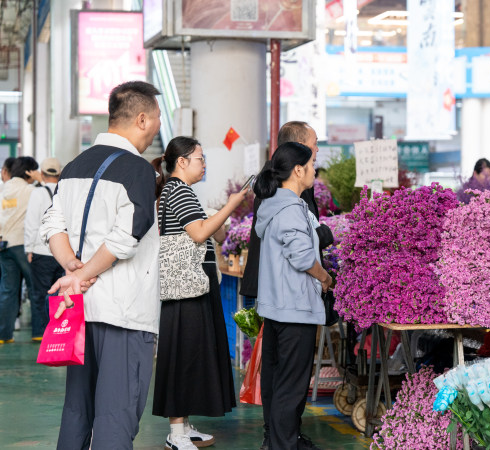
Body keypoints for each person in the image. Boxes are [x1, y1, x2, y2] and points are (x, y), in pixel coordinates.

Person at [40, 80, 162, 449]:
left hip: (79, 310)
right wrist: (84, 274)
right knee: (116, 415)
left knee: (78, 411)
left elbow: (52, 223)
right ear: (141, 119)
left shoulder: (75, 165)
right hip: (123, 314)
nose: (157, 126)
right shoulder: (139, 170)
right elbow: (128, 235)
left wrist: (73, 271)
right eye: (156, 119)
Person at [239, 121, 333, 450]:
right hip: (296, 309)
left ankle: (277, 442)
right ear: (296, 170)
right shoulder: (293, 208)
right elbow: (303, 257)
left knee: (278, 384)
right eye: (310, 166)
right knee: (291, 388)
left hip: (277, 309)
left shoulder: (270, 204)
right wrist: (324, 277)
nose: (313, 172)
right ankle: (282, 444)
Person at [150, 136, 244, 450]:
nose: (204, 164)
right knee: (182, 355)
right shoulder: (179, 191)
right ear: (183, 162)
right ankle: (176, 433)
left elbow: (207, 229)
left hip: (190, 285)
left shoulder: (179, 192)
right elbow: (200, 232)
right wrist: (231, 205)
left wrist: (218, 216)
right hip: (185, 288)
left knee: (190, 354)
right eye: (200, 158)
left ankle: (184, 426)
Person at [24, 157, 64, 341]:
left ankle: (40, 332)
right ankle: (58, 329)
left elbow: (32, 223)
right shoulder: (66, 191)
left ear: (42, 174)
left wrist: (29, 248)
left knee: (40, 293)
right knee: (60, 294)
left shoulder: (37, 194)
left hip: (41, 251)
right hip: (63, 252)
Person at [0, 156, 38, 343]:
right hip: (24, 245)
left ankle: (4, 335)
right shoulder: (30, 190)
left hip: (5, 245)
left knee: (8, 291)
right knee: (34, 288)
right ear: (29, 172)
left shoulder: (4, 189)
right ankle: (38, 333)